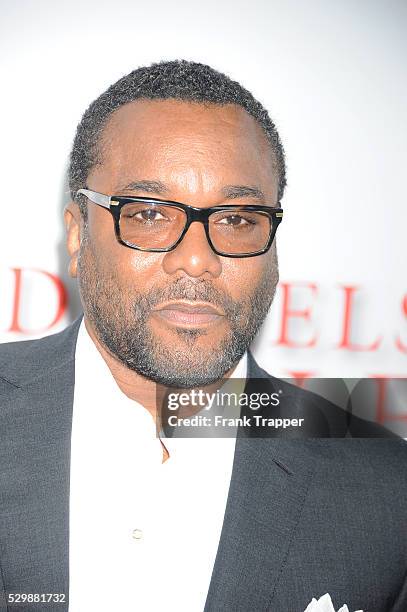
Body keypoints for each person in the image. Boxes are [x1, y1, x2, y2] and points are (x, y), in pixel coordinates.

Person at [0, 60, 406, 612]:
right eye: (148, 214)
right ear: (77, 236)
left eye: (237, 219)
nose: (197, 259)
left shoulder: (383, 488)